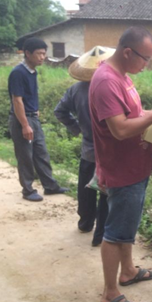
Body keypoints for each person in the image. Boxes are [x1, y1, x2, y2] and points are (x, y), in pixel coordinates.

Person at [89, 27, 152, 302]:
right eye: (145, 58)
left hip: (135, 165)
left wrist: (151, 114)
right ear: (127, 52)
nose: (146, 64)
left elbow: (132, 115)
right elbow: (120, 129)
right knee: (115, 232)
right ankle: (110, 294)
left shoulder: (121, 76)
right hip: (121, 169)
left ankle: (129, 271)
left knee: (126, 225)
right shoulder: (106, 81)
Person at [55, 46, 114, 246]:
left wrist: (76, 128)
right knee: (105, 190)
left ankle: (85, 223)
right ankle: (101, 234)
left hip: (88, 149)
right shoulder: (110, 87)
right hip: (108, 149)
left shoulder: (75, 90)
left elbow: (60, 111)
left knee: (86, 188)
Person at [8, 37, 69, 202]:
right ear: (27, 53)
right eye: (39, 54)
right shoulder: (18, 73)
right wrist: (25, 125)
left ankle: (50, 186)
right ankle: (28, 190)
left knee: (41, 153)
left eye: (44, 53)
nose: (42, 57)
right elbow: (17, 100)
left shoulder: (32, 71)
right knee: (25, 156)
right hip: (22, 120)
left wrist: (35, 111)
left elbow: (28, 97)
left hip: (32, 118)